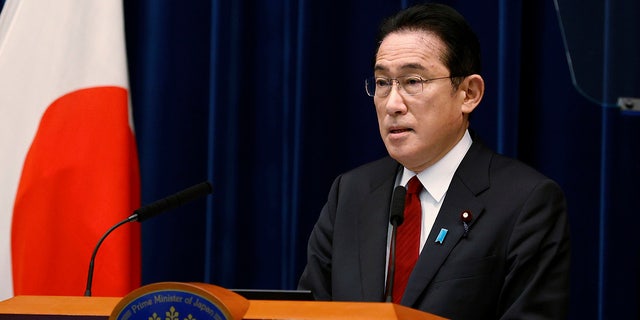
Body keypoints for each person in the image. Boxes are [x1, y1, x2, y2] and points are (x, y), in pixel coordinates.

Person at [298, 3, 570, 319]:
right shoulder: (350, 193)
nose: (392, 104)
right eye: (383, 83)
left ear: (469, 93)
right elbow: (309, 309)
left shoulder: (526, 202)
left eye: (413, 81)